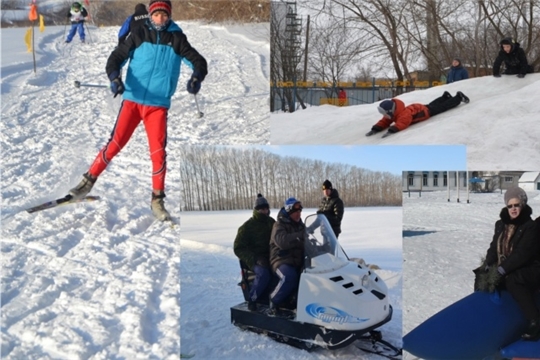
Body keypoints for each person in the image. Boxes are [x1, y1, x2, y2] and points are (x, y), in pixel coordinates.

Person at [67, 0, 208, 221]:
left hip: (157, 106)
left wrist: (196, 77)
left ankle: (157, 200)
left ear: (169, 16)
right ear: (150, 15)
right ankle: (87, 182)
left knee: (158, 153)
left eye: (164, 15)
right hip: (132, 101)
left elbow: (199, 62)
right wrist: (115, 78)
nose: (160, 19)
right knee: (115, 144)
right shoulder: (139, 33)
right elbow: (115, 58)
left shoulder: (177, 38)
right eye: (156, 15)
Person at [473, 187, 540, 341]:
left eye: (516, 205)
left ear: (522, 205)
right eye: (510, 206)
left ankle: (535, 319)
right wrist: (487, 266)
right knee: (480, 276)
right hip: (507, 265)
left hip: (530, 267)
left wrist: (502, 270)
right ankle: (484, 318)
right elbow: (493, 248)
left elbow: (523, 254)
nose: (513, 209)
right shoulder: (500, 225)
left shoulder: (530, 226)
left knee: (513, 280)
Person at [234, 194, 276, 311]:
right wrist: (255, 258)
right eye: (262, 209)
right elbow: (238, 248)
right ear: (256, 210)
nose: (265, 211)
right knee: (263, 274)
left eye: (266, 208)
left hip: (271, 257)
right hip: (254, 260)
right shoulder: (247, 227)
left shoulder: (271, 222)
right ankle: (252, 298)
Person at [366, 91, 470, 137]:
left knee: (441, 107)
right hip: (421, 108)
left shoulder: (403, 115)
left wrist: (392, 130)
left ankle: (458, 97)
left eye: (384, 113)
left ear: (391, 111)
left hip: (425, 113)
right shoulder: (395, 113)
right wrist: (376, 128)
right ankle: (445, 97)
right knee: (431, 105)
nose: (384, 116)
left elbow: (403, 123)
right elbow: (385, 120)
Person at [269, 197, 306, 314]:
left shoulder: (299, 225)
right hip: (281, 259)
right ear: (289, 212)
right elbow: (282, 241)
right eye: (296, 212)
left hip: (296, 259)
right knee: (289, 277)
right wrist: (300, 235)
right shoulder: (279, 225)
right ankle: (274, 300)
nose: (298, 214)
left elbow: (307, 238)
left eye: (300, 211)